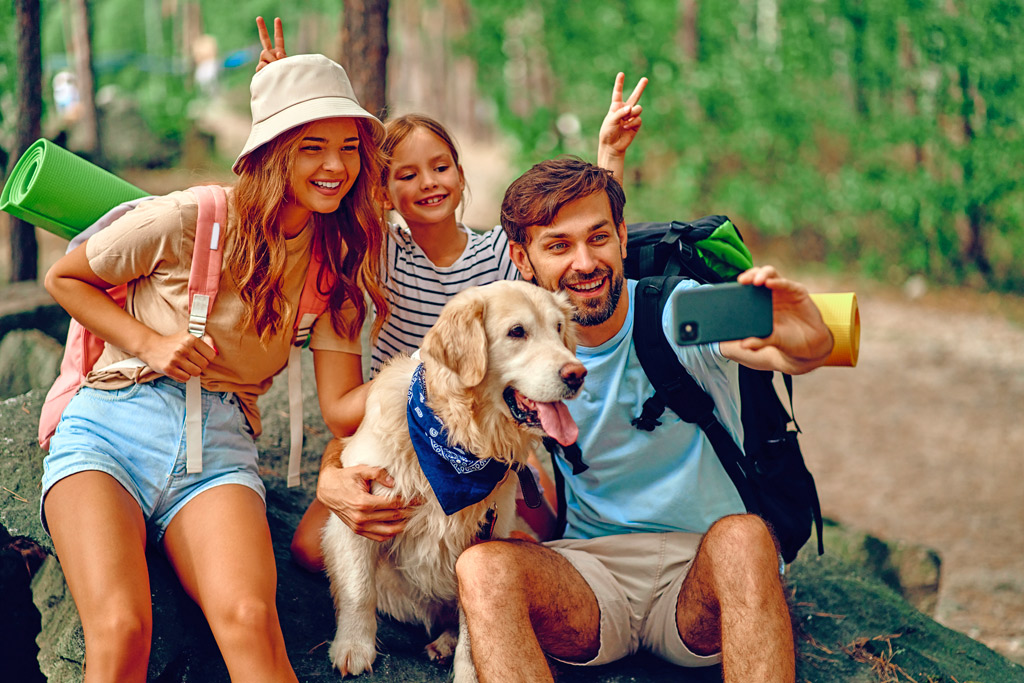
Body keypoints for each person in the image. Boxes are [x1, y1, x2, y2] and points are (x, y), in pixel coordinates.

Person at [252, 17, 651, 570]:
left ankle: (480, 606)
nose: (429, 183)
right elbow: (320, 213)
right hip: (405, 421)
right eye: (407, 174)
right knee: (311, 549)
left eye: (441, 167)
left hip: (490, 420)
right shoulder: (378, 255)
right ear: (383, 191)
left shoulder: (496, 257)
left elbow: (581, 249)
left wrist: (610, 158)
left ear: (462, 177)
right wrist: (288, 110)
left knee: (528, 539)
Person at [40, 52, 387, 682]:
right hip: (111, 428)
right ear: (272, 152)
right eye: (312, 146)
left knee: (252, 619)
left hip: (220, 450)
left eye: (350, 148)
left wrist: (425, 372)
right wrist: (148, 342)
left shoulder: (335, 267)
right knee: (121, 629)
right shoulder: (190, 217)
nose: (336, 166)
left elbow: (342, 408)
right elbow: (65, 277)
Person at [451, 156, 834, 682]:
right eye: (559, 245)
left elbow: (785, 350)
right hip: (590, 577)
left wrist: (808, 334)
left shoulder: (678, 312)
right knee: (481, 568)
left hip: (701, 575)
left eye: (598, 238)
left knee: (747, 538)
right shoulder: (509, 349)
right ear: (523, 256)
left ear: (623, 236)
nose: (584, 262)